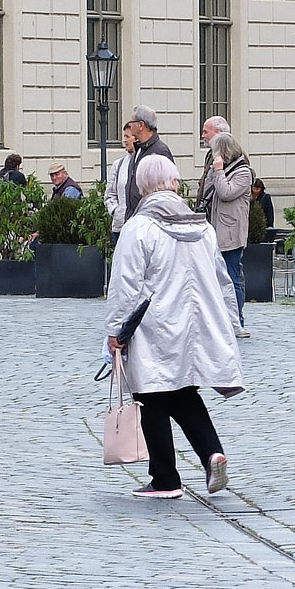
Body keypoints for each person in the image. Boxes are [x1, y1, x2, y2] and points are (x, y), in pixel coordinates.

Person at [106, 154, 243, 499]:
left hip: (154, 324)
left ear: (141, 186)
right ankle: (212, 453)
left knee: (150, 394)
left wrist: (114, 330)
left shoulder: (139, 227)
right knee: (183, 391)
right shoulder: (202, 228)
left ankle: (165, 478)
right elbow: (222, 279)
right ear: (174, 183)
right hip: (196, 325)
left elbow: (125, 284)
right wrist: (229, 321)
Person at [200, 132, 253, 337]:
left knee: (232, 278)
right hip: (216, 229)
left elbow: (226, 192)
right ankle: (220, 319)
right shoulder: (220, 168)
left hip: (231, 232)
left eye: (216, 153)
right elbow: (208, 192)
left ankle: (237, 320)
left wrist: (219, 171)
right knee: (215, 278)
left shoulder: (243, 172)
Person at [120, 105, 173, 219]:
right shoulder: (139, 149)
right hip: (134, 217)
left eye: (132, 122)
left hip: (150, 219)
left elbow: (167, 188)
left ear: (141, 125)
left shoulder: (160, 151)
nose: (129, 125)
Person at [106, 125, 135, 242]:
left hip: (139, 228)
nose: (124, 140)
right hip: (120, 227)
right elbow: (109, 195)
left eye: (127, 136)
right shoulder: (118, 164)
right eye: (124, 136)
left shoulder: (146, 163)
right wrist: (116, 211)